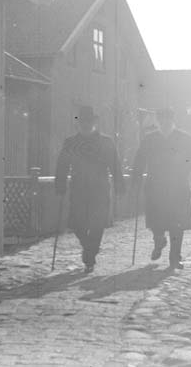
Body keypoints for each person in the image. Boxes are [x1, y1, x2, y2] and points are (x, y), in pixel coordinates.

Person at [55, 105, 125, 272]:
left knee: (97, 224)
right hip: (78, 188)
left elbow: (115, 165)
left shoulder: (106, 142)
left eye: (89, 121)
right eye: (83, 122)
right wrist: (60, 185)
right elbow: (62, 165)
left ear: (94, 123)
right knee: (77, 223)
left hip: (100, 189)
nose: (86, 125)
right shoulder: (71, 143)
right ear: (78, 124)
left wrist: (119, 185)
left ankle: (90, 257)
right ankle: (89, 248)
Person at [132, 107, 191, 269]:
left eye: (168, 119)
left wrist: (182, 169)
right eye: (162, 120)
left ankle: (175, 257)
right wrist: (136, 180)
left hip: (178, 187)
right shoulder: (150, 139)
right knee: (156, 221)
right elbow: (139, 161)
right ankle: (159, 240)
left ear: (172, 120)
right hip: (155, 187)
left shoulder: (185, 138)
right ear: (158, 121)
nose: (165, 123)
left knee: (177, 223)